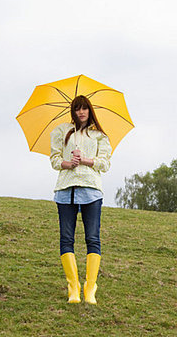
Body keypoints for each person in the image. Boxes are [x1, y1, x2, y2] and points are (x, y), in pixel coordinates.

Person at [49, 95, 111, 304]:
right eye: (77, 109)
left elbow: (105, 164)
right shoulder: (62, 131)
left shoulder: (99, 136)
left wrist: (85, 160)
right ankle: (73, 287)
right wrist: (69, 163)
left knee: (92, 238)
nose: (81, 112)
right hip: (66, 190)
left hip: (91, 190)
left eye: (84, 108)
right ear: (73, 111)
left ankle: (90, 288)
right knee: (66, 238)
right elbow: (54, 159)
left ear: (89, 110)